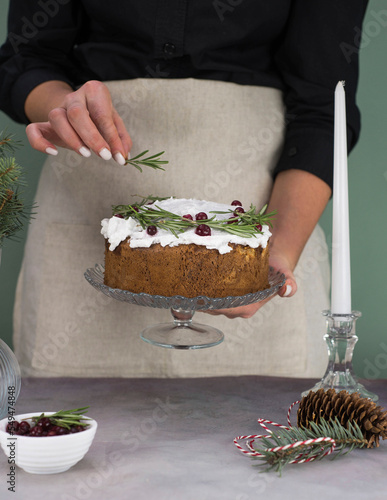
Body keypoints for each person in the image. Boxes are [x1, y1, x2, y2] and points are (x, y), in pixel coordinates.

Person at [0, 1, 368, 378]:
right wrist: (64, 109)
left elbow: (324, 107)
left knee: (258, 427)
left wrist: (282, 252)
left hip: (267, 207)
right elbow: (25, 58)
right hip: (87, 201)